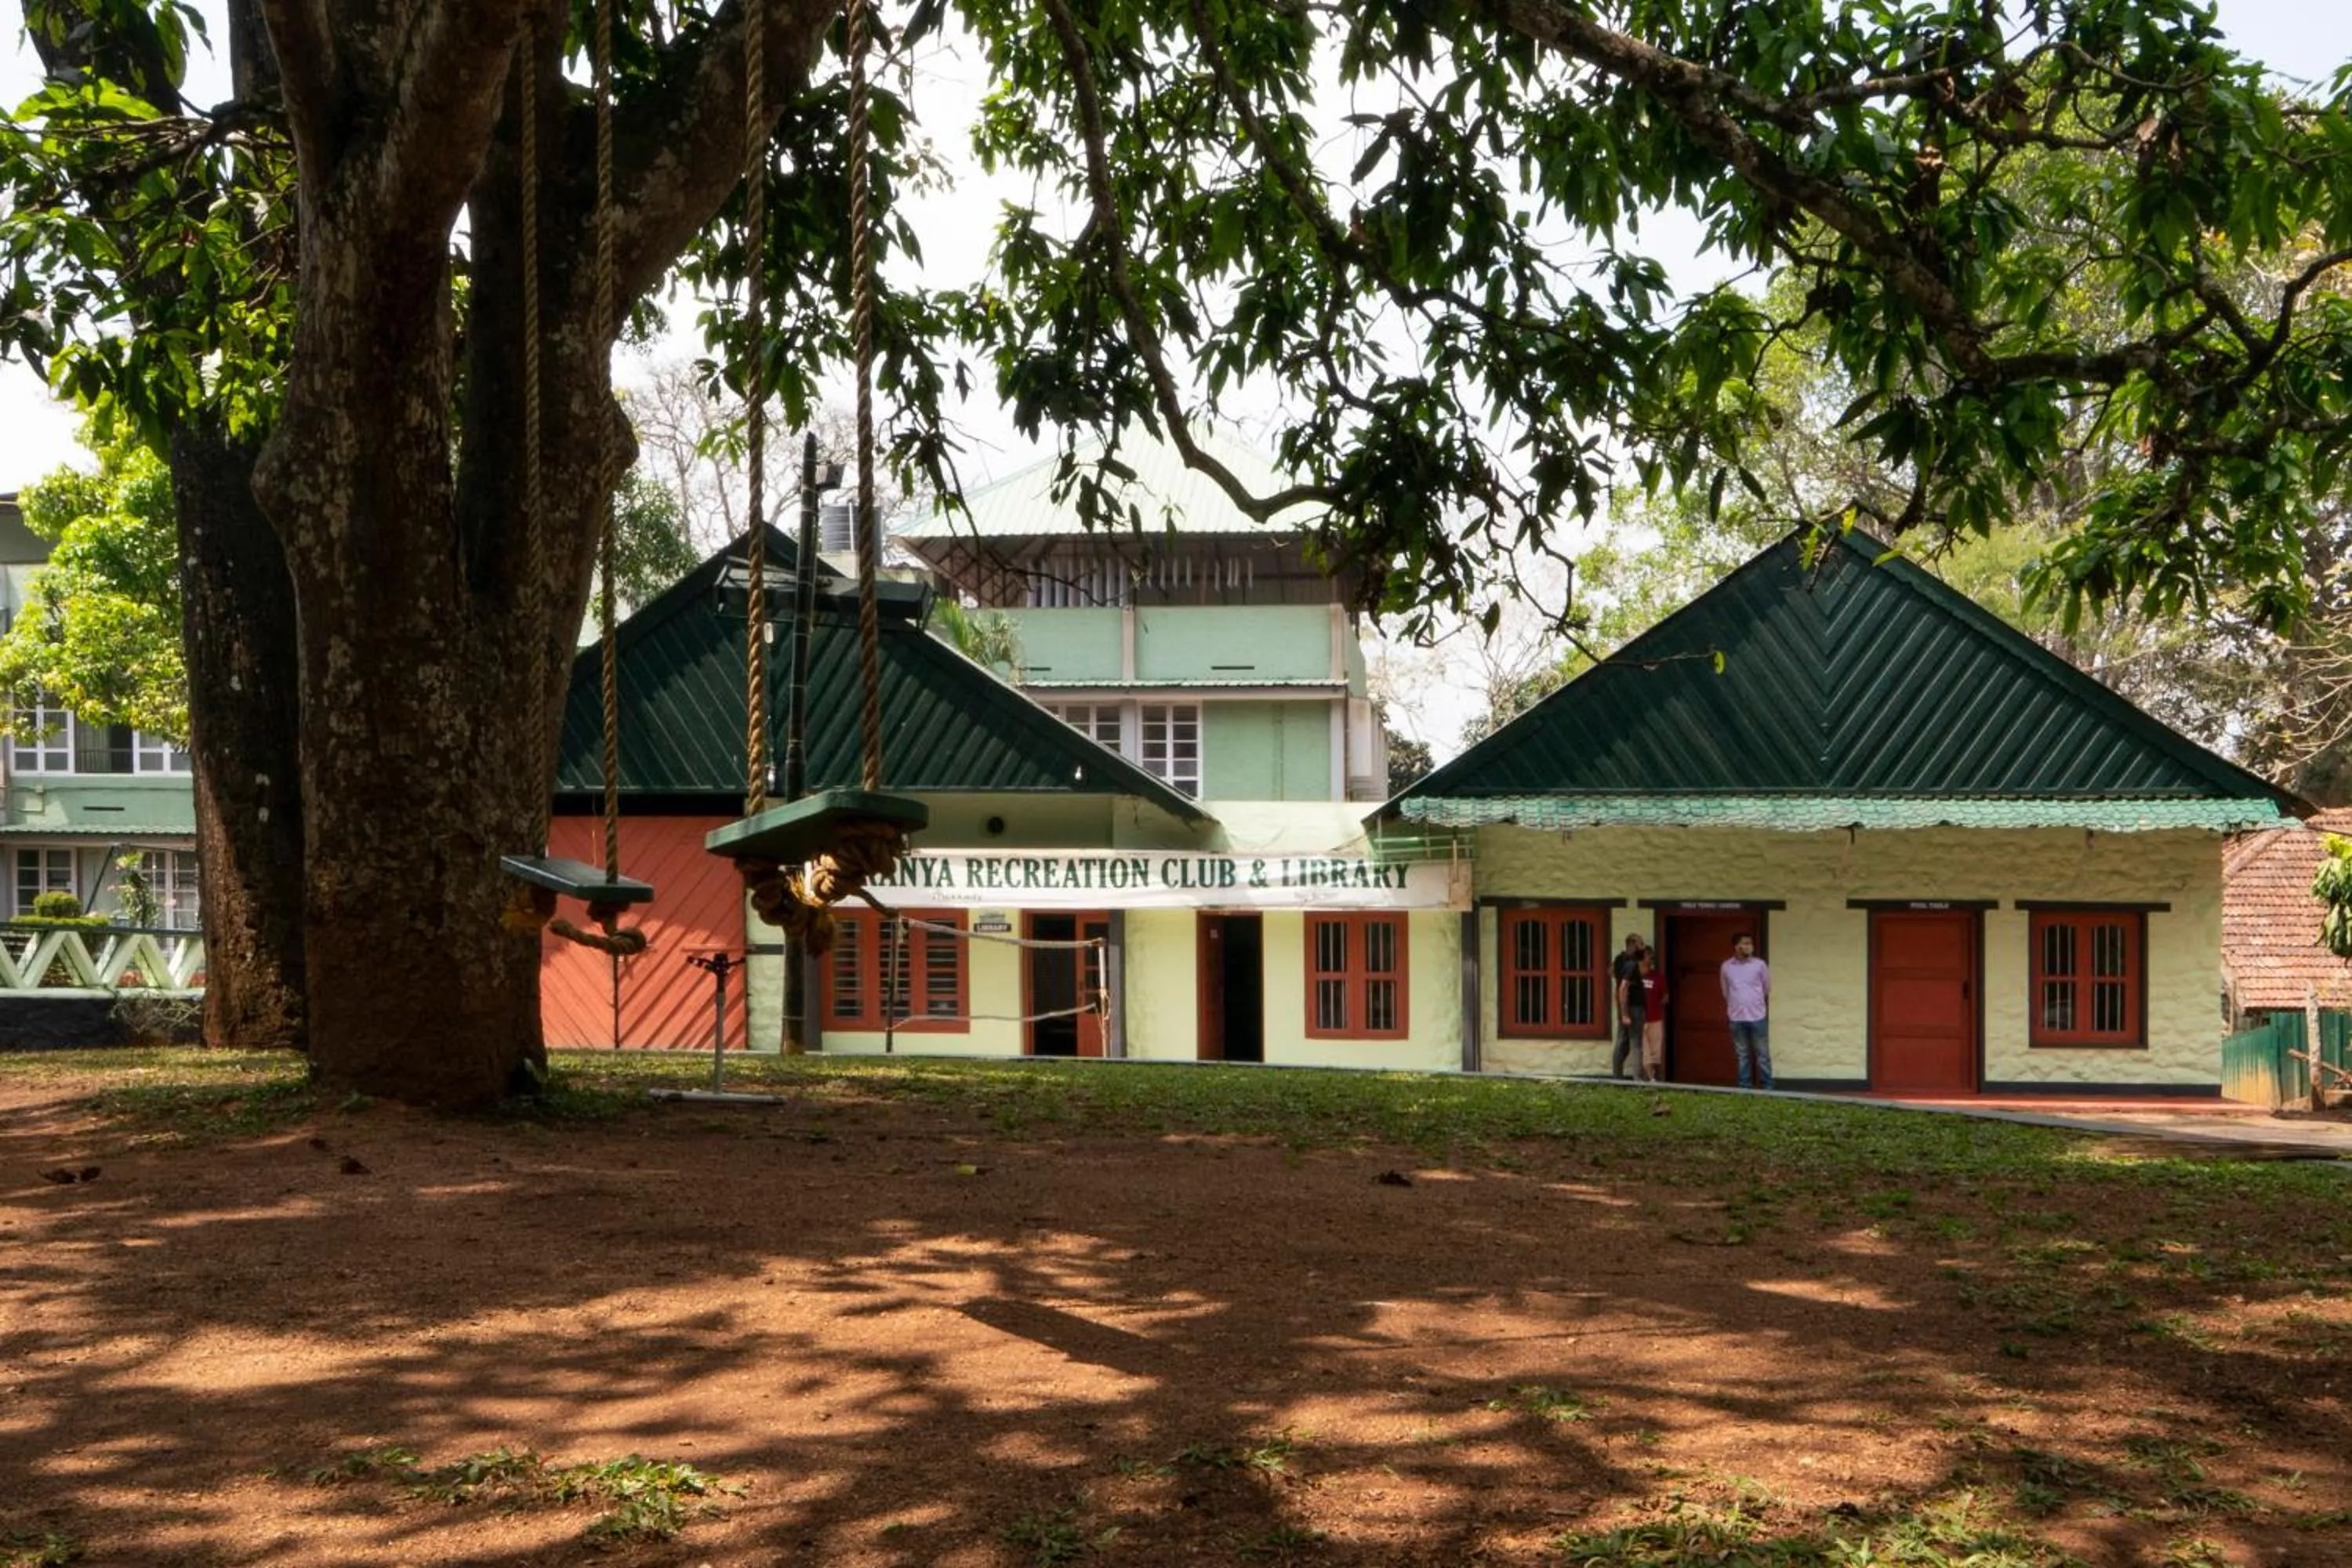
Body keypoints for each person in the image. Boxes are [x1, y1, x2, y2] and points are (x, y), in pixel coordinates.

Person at [1720, 932, 1773, 1090]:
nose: (1749, 946)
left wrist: (1754, 1002)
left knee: (1763, 1054)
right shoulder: (1726, 967)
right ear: (1736, 946)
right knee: (1742, 1055)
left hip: (1758, 1016)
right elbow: (1725, 991)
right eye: (1745, 943)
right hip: (1736, 1017)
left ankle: (1768, 1086)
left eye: (1750, 943)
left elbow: (1767, 988)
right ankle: (1745, 1086)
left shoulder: (1760, 965)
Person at [1617, 950, 1668, 1082]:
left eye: (1652, 958)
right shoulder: (1634, 977)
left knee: (1656, 1052)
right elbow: (1622, 990)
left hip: (1655, 1018)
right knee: (1644, 1051)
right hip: (1640, 1019)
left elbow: (1665, 997)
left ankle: (1651, 1077)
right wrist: (1625, 1013)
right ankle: (1650, 1079)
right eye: (1649, 957)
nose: (1651, 960)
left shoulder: (1658, 977)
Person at [1609, 932, 1649, 1079]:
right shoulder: (1631, 964)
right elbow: (1623, 987)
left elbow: (1611, 971)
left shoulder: (1619, 959)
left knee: (1622, 1043)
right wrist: (1626, 1014)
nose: (1642, 948)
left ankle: (1617, 1078)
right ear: (1632, 944)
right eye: (1640, 944)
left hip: (1624, 1007)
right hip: (1633, 1008)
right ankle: (1638, 1081)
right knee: (1636, 1044)